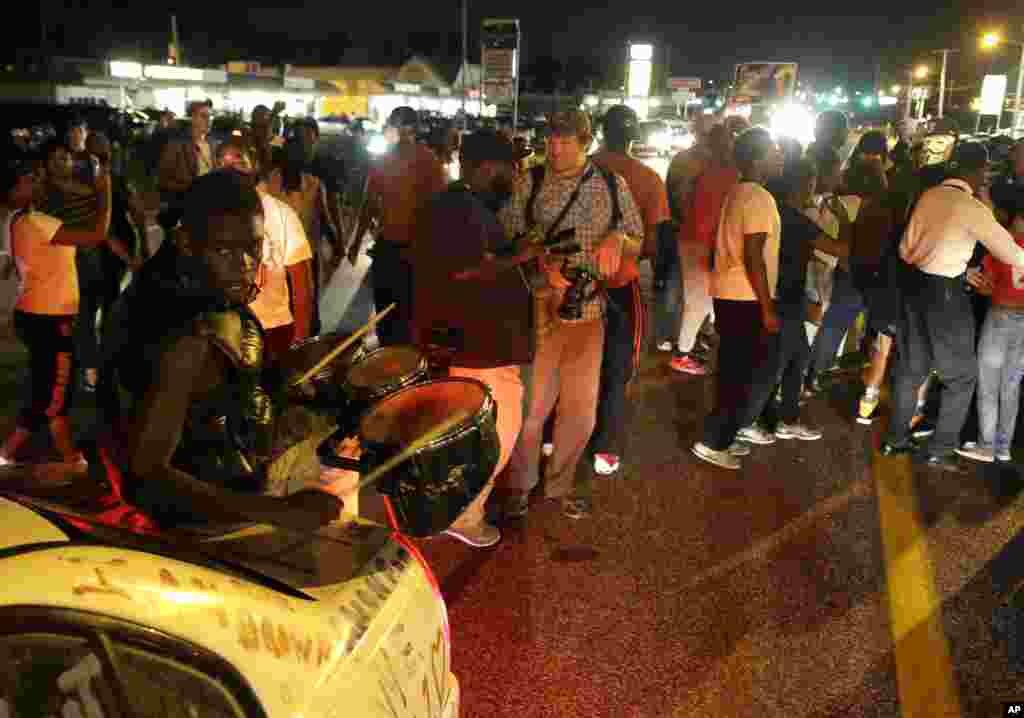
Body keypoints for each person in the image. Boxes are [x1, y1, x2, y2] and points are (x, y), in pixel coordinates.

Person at [100, 170, 343, 530]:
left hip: (229, 491)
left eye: (253, 247)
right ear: (186, 241)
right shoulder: (183, 334)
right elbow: (146, 474)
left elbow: (220, 399)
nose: (245, 265)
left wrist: (290, 372)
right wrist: (278, 512)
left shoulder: (195, 292)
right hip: (193, 531)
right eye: (224, 249)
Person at [498, 110, 643, 518]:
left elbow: (638, 237)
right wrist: (541, 259)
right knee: (533, 408)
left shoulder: (612, 185)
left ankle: (558, 486)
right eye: (550, 141)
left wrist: (618, 237)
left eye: (565, 142)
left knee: (581, 411)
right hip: (541, 305)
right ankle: (520, 487)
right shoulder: (532, 181)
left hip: (591, 308)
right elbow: (506, 235)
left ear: (586, 142)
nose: (555, 149)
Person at [412, 129, 530, 547]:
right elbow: (463, 271)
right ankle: (464, 515)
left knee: (476, 432)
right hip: (480, 347)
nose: (514, 177)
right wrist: (522, 255)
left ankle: (458, 510)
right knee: (498, 433)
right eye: (509, 169)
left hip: (478, 343)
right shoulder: (459, 208)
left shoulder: (463, 205)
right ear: (486, 168)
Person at [881, 143, 1024, 469]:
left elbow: (905, 250)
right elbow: (1013, 255)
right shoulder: (971, 207)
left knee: (910, 369)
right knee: (961, 378)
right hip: (946, 295)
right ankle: (940, 450)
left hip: (915, 289)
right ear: (977, 171)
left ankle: (895, 441)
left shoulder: (929, 196)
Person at [0, 150, 112, 466]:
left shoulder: (21, 219)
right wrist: (106, 192)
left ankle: (16, 453)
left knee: (45, 387)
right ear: (12, 190)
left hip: (37, 312)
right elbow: (96, 235)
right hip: (50, 317)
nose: (37, 183)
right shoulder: (36, 222)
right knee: (55, 392)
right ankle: (66, 457)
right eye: (28, 180)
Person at [691, 128, 784, 470]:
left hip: (731, 293)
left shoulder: (739, 191)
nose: (780, 155)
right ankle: (715, 441)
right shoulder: (758, 197)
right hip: (745, 297)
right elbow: (754, 255)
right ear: (759, 158)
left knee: (737, 370)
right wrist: (767, 306)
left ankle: (726, 434)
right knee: (743, 372)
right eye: (775, 150)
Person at [589, 105, 671, 475]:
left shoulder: (574, 170)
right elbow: (653, 245)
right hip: (621, 284)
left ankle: (553, 437)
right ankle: (605, 447)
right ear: (634, 135)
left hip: (571, 283)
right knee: (618, 366)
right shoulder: (649, 178)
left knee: (566, 362)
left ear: (600, 132)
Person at [349, 107, 448, 346]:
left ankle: (392, 369)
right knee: (407, 320)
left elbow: (369, 205)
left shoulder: (389, 159)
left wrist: (355, 243)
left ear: (396, 129)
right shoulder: (429, 160)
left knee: (389, 320)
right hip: (412, 252)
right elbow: (441, 210)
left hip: (397, 251)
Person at [216, 143, 314, 363]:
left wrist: (299, 345)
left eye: (239, 162)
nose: (232, 171)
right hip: (222, 334)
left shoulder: (282, 214)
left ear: (254, 167)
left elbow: (302, 285)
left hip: (273, 330)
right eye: (223, 164)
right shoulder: (204, 214)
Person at [671, 122, 740, 375]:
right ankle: (682, 354)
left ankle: (693, 344)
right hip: (701, 243)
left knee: (705, 300)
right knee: (698, 302)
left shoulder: (703, 169)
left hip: (695, 239)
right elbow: (707, 215)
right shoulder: (725, 173)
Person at [959, 205, 1024, 463]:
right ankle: (1003, 447)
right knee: (1011, 387)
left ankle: (986, 446)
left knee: (988, 385)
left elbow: (985, 288)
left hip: (999, 318)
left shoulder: (1003, 248)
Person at [157, 99, 215, 234]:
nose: (208, 120)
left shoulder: (212, 144)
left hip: (209, 207)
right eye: (203, 116)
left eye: (210, 116)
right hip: (185, 207)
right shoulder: (177, 144)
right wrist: (190, 186)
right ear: (193, 119)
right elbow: (162, 179)